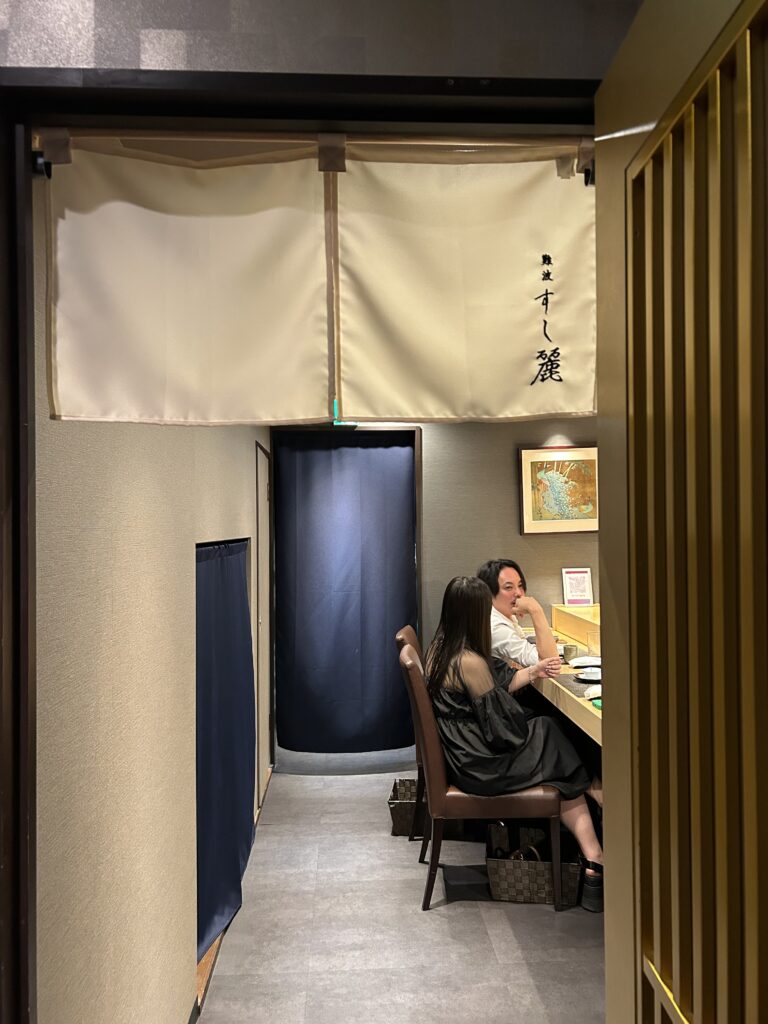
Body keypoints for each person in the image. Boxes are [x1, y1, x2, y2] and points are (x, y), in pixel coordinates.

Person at [426, 575, 604, 911]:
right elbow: (502, 730)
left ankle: (594, 852)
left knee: (553, 736)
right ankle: (597, 839)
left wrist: (533, 672)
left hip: (464, 756)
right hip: (480, 767)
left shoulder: (440, 648)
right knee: (554, 735)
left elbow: (490, 696)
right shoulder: (468, 661)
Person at [477, 558, 559, 672]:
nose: (519, 593)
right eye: (508, 587)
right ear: (488, 593)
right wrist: (536, 610)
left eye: (520, 585)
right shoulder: (496, 627)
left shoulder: (502, 614)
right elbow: (550, 663)